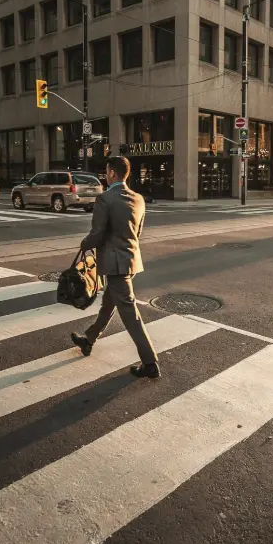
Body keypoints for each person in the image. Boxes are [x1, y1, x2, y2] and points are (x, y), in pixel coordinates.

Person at [71, 154, 160, 379]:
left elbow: (98, 234)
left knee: (130, 314)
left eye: (106, 171)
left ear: (112, 173)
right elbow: (137, 233)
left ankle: (150, 363)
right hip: (130, 259)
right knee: (108, 304)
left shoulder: (105, 199)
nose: (105, 175)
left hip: (113, 263)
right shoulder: (139, 198)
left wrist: (84, 244)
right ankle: (88, 340)